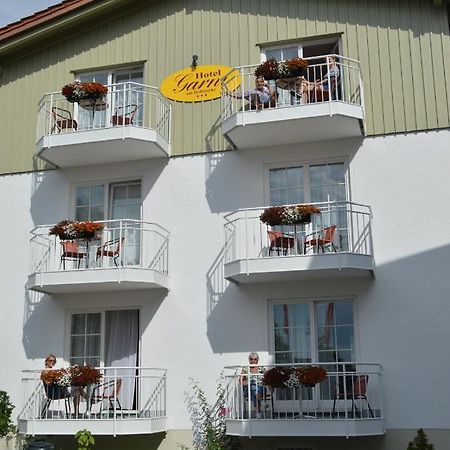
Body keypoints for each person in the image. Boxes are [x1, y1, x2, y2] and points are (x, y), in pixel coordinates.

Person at [240, 352, 265, 418]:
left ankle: (258, 413)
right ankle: (261, 405)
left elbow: (267, 378)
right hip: (248, 389)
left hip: (261, 388)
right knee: (253, 387)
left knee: (254, 391)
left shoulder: (262, 368)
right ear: (249, 360)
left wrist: (264, 382)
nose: (253, 361)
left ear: (257, 360)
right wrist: (245, 383)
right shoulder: (245, 369)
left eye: (255, 359)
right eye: (251, 359)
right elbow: (240, 380)